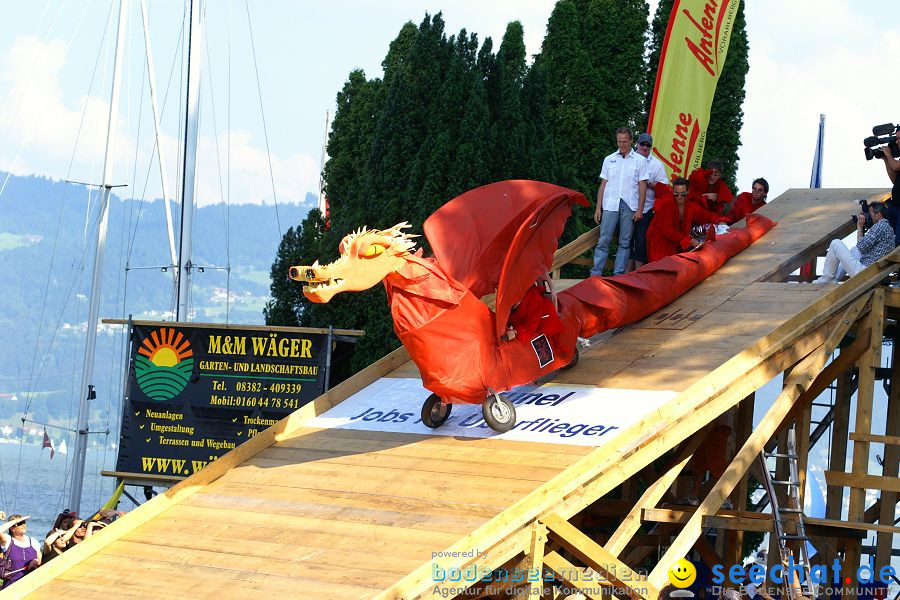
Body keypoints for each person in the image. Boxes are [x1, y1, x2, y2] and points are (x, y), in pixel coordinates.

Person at [591, 127, 649, 276]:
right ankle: (596, 273)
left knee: (625, 242)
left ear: (631, 141)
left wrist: (640, 209)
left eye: (624, 141)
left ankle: (618, 275)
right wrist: (598, 208)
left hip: (630, 205)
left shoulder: (640, 161)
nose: (622, 145)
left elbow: (643, 186)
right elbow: (603, 185)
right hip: (610, 204)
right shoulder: (609, 159)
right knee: (604, 239)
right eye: (619, 142)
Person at [647, 178, 727, 263]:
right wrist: (688, 240)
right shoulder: (666, 204)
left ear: (688, 192)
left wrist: (720, 220)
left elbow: (706, 215)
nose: (679, 197)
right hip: (660, 244)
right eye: (676, 194)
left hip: (676, 247)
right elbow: (668, 230)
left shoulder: (691, 207)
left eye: (683, 194)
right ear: (673, 191)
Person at [813, 201, 895, 283]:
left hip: (866, 272)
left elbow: (862, 246)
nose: (869, 217)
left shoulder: (879, 226)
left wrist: (859, 227)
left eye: (870, 214)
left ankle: (827, 278)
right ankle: (833, 279)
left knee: (835, 243)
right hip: (874, 271)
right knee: (854, 250)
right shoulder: (888, 228)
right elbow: (862, 248)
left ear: (878, 215)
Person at [628, 132, 669, 271]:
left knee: (640, 241)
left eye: (648, 145)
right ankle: (625, 275)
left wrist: (648, 183)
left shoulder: (657, 165)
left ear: (651, 147)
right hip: (628, 206)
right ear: (637, 144)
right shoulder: (628, 158)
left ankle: (638, 274)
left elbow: (664, 187)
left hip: (646, 209)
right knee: (626, 241)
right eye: (642, 144)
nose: (645, 147)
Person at [0, 515, 41, 587]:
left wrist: (36, 562)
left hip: (31, 584)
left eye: (24, 522)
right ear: (12, 528)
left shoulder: (33, 541)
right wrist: (15, 521)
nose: (23, 525)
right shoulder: (8, 540)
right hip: (11, 585)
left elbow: (40, 561)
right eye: (20, 523)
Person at [880, 129, 900, 246]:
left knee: (898, 244)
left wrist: (889, 154)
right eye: (896, 138)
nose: (897, 142)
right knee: (888, 241)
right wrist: (885, 159)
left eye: (899, 139)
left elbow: (896, 166)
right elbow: (894, 179)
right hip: (895, 205)